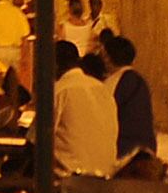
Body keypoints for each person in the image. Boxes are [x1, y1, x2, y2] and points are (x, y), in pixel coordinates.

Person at [47, 39, 119, 178]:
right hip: (106, 175)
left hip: (68, 178)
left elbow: (37, 141)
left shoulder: (59, 90)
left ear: (54, 65)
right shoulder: (103, 89)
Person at [103, 33, 158, 171]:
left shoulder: (113, 83)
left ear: (108, 59)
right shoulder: (139, 80)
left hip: (125, 152)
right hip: (147, 149)